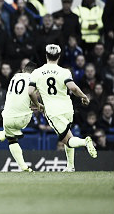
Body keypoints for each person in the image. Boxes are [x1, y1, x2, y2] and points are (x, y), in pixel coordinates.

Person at [28, 44, 97, 172]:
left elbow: (30, 91)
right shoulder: (64, 71)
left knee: (68, 140)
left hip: (53, 111)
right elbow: (73, 88)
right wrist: (84, 97)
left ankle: (85, 142)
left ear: (46, 56)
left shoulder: (36, 72)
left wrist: (38, 105)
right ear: (59, 56)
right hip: (67, 108)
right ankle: (70, 166)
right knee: (67, 135)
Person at [0, 62, 39, 172]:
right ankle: (4, 133)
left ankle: (23, 166)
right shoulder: (34, 79)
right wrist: (39, 106)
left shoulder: (14, 77)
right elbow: (32, 96)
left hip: (6, 118)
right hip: (22, 119)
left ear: (24, 70)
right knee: (30, 109)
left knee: (12, 140)